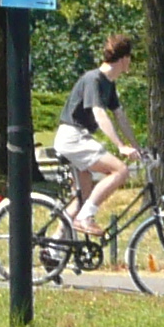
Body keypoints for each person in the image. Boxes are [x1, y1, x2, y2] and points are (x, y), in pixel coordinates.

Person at [55, 36, 138, 234]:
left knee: (84, 199)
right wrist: (119, 146)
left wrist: (136, 146)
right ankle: (86, 217)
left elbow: (119, 116)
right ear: (124, 58)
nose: (131, 62)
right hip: (73, 137)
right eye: (130, 58)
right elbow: (99, 114)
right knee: (120, 171)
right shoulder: (93, 79)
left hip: (77, 138)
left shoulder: (109, 83)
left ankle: (54, 247)